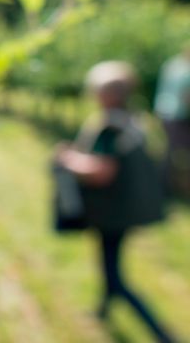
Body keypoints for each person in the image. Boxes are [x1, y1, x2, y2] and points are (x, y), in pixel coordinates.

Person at [55, 61, 175, 343]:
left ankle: (162, 335)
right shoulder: (134, 120)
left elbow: (101, 172)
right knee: (109, 261)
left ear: (107, 94)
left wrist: (68, 160)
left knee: (116, 276)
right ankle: (103, 311)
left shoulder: (110, 126)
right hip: (124, 209)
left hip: (112, 211)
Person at [154, 47, 190, 201]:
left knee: (169, 151)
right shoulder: (187, 71)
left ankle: (164, 187)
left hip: (164, 112)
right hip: (179, 115)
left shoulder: (172, 64)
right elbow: (186, 98)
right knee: (182, 153)